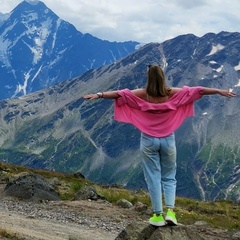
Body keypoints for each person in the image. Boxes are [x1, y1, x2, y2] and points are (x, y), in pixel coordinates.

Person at [83, 64, 236, 227]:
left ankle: (157, 215)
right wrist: (219, 91)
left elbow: (120, 94)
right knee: (169, 177)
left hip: (148, 140)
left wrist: (99, 95)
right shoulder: (171, 93)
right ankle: (170, 212)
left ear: (148, 78)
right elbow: (197, 90)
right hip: (168, 140)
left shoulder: (143, 94)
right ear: (163, 77)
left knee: (153, 177)